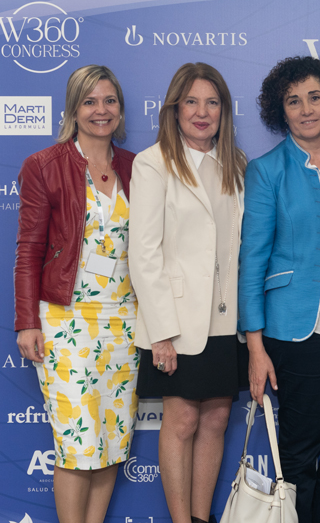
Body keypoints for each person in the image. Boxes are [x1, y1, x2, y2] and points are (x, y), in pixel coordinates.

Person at [238, 56, 320, 523]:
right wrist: (255, 347)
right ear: (281, 111)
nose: (306, 109)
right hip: (293, 329)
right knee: (300, 445)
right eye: (294, 101)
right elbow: (252, 261)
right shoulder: (267, 170)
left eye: (315, 97)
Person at [14, 64, 137, 523]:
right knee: (77, 443)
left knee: (111, 442)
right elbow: (28, 250)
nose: (100, 110)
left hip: (125, 322)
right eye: (89, 101)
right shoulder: (44, 166)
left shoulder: (137, 167)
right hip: (66, 321)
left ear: (120, 108)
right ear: (73, 109)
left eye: (109, 100)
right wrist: (27, 321)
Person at [129, 62, 246, 523]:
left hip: (225, 319)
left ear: (224, 111)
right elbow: (144, 254)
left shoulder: (236, 165)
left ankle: (201, 518)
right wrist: (161, 332)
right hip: (175, 320)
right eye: (192, 102)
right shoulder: (152, 163)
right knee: (181, 421)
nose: (202, 112)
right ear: (174, 109)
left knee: (216, 419)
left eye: (212, 103)